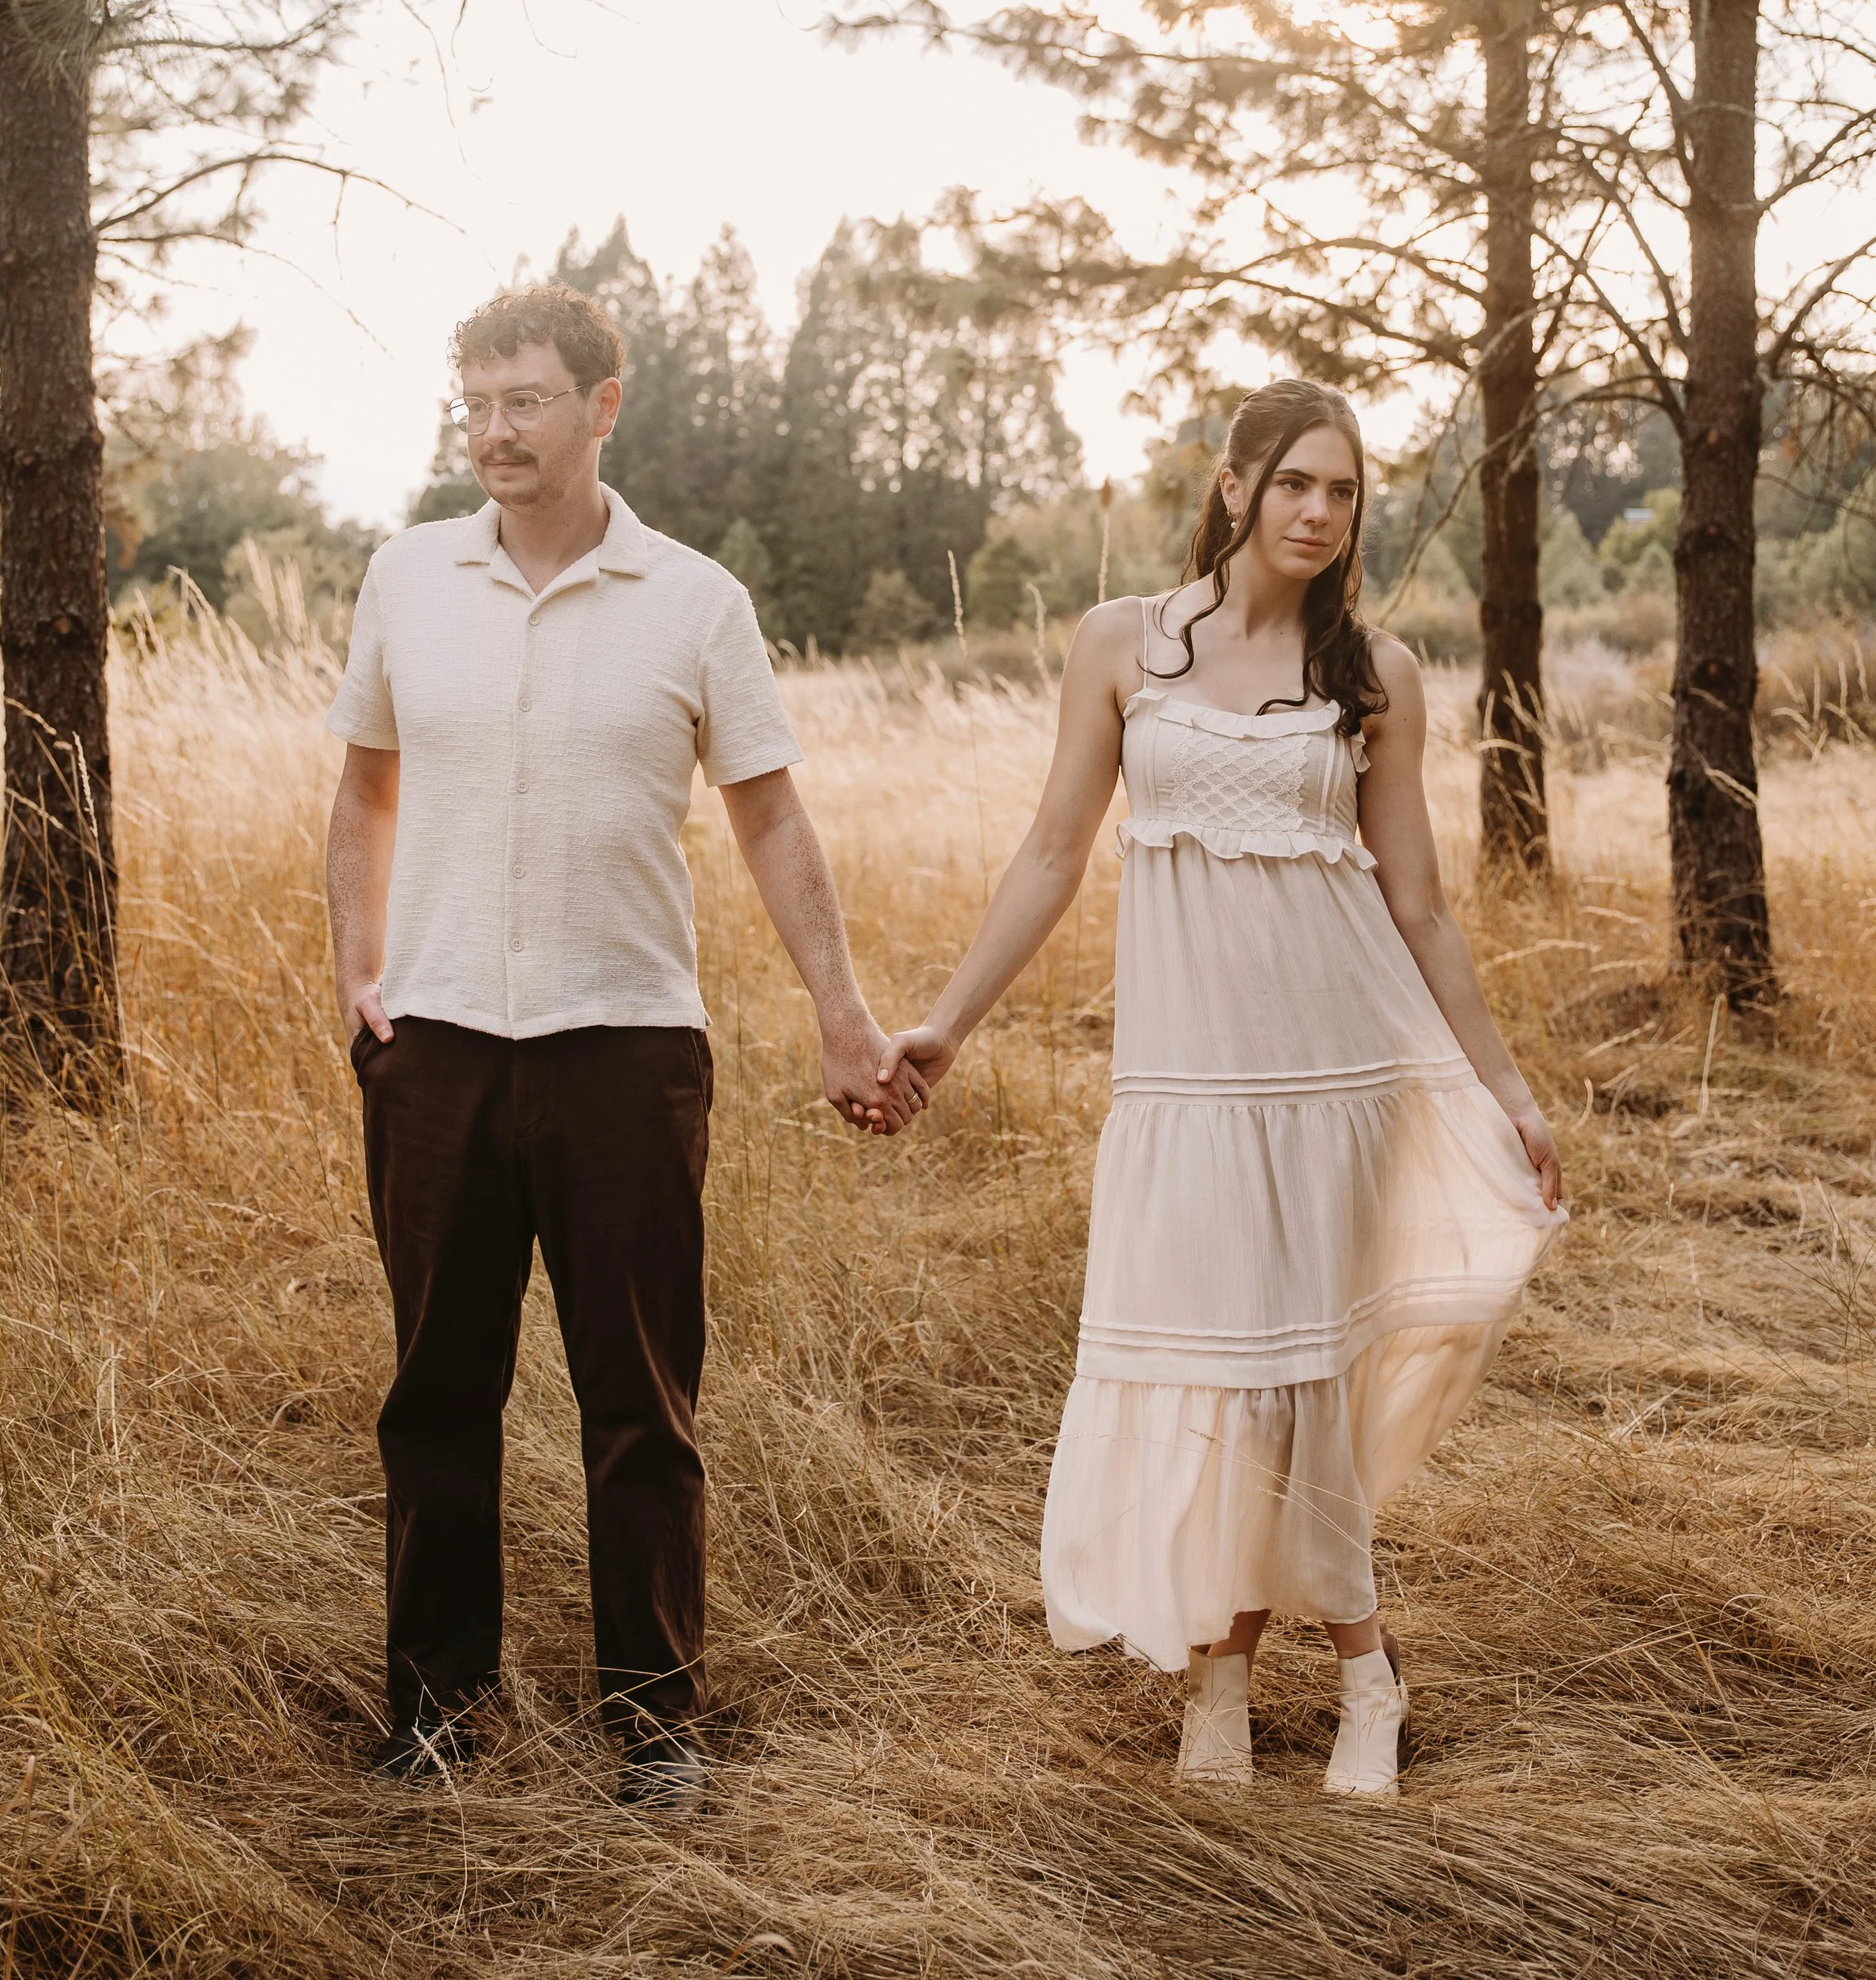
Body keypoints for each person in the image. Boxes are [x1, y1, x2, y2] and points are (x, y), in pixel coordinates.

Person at [876, 378, 1566, 1798]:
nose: (1319, 512)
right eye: (1296, 482)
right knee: (1214, 1373)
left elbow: (1421, 903)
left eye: (1345, 491)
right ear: (1237, 483)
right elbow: (1054, 853)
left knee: (1294, 1376)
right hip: (1190, 1083)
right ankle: (1245, 1670)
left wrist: (1505, 1086)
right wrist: (947, 1022)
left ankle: (1340, 1679)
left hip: (1333, 1074)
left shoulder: (1375, 670)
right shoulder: (1123, 644)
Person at [325, 282, 922, 1806]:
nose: (493, 429)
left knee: (640, 1403)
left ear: (603, 403)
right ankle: (437, 1712)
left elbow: (771, 813)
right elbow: (365, 788)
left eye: (523, 399)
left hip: (627, 1050)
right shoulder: (407, 576)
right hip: (440, 1047)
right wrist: (361, 977)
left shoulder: (697, 601)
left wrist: (841, 1010)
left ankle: (655, 1725)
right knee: (436, 1396)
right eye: (475, 401)